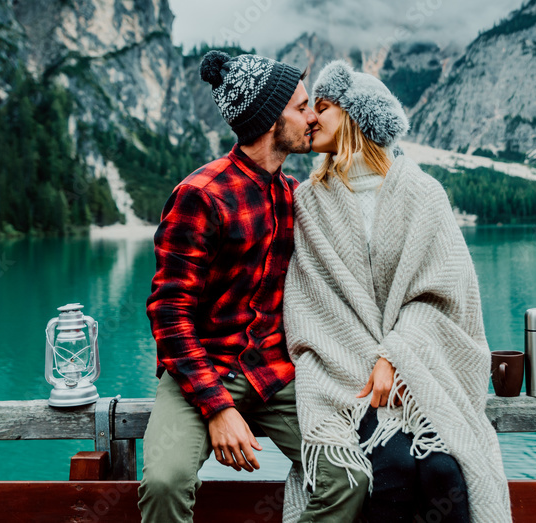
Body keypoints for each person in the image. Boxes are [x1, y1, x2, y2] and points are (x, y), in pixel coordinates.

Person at [138, 51, 369, 523]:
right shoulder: (200, 195)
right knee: (165, 483)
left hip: (273, 372)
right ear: (269, 120)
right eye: (302, 107)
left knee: (349, 477)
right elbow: (169, 314)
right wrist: (218, 408)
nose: (312, 118)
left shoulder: (290, 194)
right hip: (199, 372)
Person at [283, 60, 512, 522]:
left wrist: (396, 356)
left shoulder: (422, 193)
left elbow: (444, 295)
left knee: (446, 474)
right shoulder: (307, 202)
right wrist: (371, 365)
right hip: (345, 377)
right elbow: (312, 306)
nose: (311, 118)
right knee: (391, 467)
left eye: (323, 107)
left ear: (353, 116)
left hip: (419, 373)